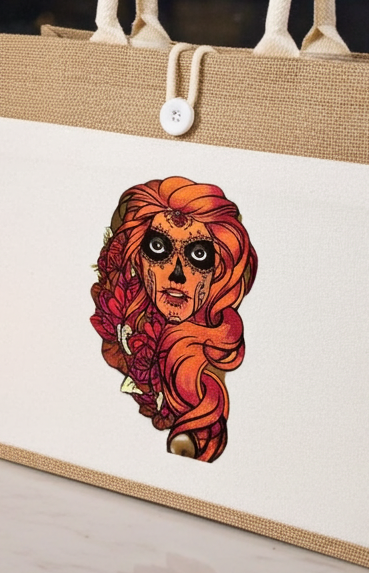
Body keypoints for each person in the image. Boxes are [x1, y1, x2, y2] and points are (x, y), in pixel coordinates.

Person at [91, 176, 257, 462]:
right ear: (137, 260)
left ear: (217, 272)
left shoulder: (211, 359)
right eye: (159, 248)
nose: (177, 274)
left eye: (198, 254)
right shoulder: (124, 326)